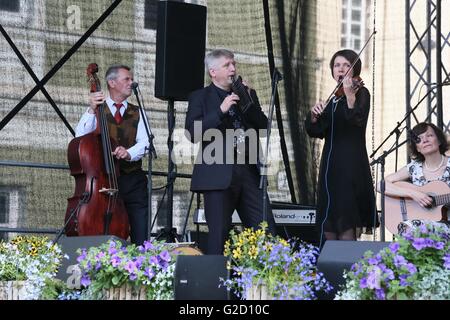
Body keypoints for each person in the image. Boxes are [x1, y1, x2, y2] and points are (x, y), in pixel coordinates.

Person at [185, 49, 277, 255]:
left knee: (265, 230)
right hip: (218, 173)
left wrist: (248, 102)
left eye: (233, 64)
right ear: (213, 72)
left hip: (249, 170)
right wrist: (220, 111)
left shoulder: (247, 94)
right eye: (227, 65)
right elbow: (192, 133)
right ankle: (216, 285)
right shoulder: (200, 97)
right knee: (219, 236)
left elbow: (263, 128)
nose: (233, 69)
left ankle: (265, 281)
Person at [305, 49, 378, 244]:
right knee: (328, 224)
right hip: (331, 168)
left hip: (351, 165)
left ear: (355, 69)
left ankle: (348, 272)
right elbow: (317, 131)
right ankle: (329, 272)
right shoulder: (332, 99)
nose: (341, 68)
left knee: (346, 222)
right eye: (337, 65)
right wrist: (314, 116)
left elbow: (357, 120)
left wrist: (350, 96)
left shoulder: (361, 93)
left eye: (346, 65)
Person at [75, 64, 150, 245]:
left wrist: (128, 153)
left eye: (131, 79)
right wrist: (91, 109)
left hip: (132, 180)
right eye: (127, 79)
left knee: (141, 233)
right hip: (103, 182)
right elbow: (80, 137)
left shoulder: (137, 111)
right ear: (112, 83)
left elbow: (146, 142)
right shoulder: (97, 110)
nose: (131, 83)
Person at [382, 122, 449, 234]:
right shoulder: (414, 167)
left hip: (446, 224)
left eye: (430, 136)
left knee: (411, 228)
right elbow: (381, 185)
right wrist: (413, 194)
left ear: (439, 141)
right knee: (408, 227)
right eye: (419, 139)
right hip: (419, 223)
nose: (425, 140)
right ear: (417, 148)